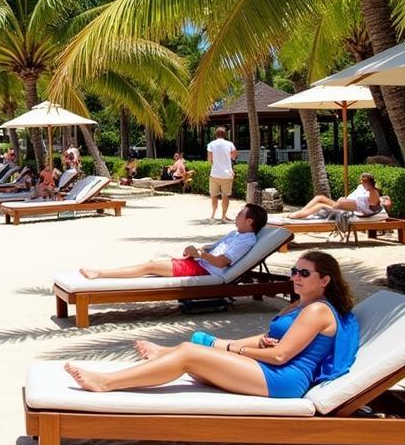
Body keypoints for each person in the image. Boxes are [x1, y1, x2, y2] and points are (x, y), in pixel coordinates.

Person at [66, 251, 359, 399]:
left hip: (284, 379)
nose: (296, 276)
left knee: (190, 355)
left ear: (324, 280)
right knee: (190, 347)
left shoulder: (317, 310)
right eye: (294, 271)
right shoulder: (298, 304)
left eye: (304, 273)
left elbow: (280, 355)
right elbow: (268, 339)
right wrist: (224, 345)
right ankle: (165, 355)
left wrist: (231, 348)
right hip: (272, 369)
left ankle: (106, 383)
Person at [79, 204, 267, 280]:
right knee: (152, 265)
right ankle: (102, 273)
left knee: (150, 266)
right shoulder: (236, 234)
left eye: (240, 214)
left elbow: (221, 262)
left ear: (250, 221)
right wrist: (196, 251)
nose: (236, 216)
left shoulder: (246, 240)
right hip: (199, 263)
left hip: (204, 269)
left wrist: (199, 254)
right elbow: (214, 249)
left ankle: (100, 274)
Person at [286, 173, 382, 220]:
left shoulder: (373, 191)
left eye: (363, 180)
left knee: (320, 205)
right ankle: (301, 211)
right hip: (344, 204)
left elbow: (372, 204)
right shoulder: (360, 187)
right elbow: (352, 196)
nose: (361, 182)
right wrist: (343, 200)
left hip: (357, 209)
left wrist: (371, 190)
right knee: (319, 198)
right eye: (361, 180)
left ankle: (297, 216)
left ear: (368, 182)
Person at [207, 126, 238, 222]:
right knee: (225, 196)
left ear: (216, 134)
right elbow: (234, 157)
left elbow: (209, 160)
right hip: (227, 174)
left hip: (215, 174)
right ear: (225, 135)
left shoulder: (211, 144)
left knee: (214, 195)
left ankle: (212, 216)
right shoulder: (230, 144)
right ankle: (223, 217)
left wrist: (216, 164)